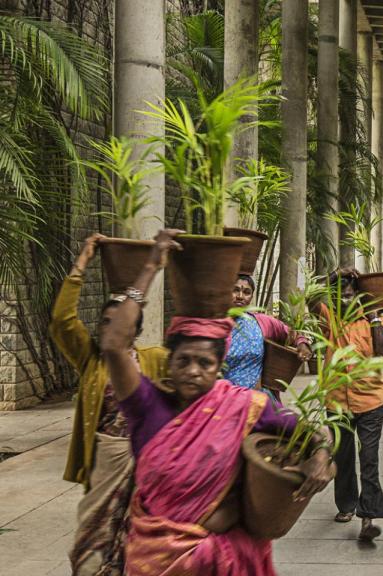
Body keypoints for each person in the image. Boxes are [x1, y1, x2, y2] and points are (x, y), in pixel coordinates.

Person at [101, 229, 334, 576]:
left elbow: (312, 433)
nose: (193, 371)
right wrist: (152, 266)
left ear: (217, 367)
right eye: (184, 361)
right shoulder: (146, 405)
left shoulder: (244, 405)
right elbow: (113, 346)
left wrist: (320, 458)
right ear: (170, 362)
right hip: (155, 558)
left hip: (223, 560)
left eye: (205, 363)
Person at [50, 232, 169, 576]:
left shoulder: (156, 359)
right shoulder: (91, 360)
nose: (110, 328)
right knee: (90, 550)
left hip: (146, 465)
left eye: (119, 323)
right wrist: (82, 262)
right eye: (104, 322)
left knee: (141, 545)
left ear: (134, 329)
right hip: (105, 461)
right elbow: (62, 321)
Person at [321, 268, 383, 542]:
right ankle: (347, 505)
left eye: (352, 294)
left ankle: (368, 517)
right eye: (342, 295)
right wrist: (334, 275)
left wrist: (373, 315)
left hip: (370, 401)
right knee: (343, 457)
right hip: (337, 401)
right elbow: (311, 297)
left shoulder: (374, 320)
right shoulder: (330, 319)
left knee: (369, 460)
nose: (347, 299)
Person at [224, 274, 312, 398]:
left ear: (251, 297)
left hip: (257, 401)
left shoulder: (261, 322)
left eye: (246, 292)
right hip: (225, 401)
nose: (240, 296)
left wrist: (302, 345)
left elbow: (292, 334)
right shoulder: (216, 325)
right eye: (235, 290)